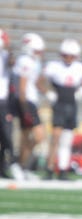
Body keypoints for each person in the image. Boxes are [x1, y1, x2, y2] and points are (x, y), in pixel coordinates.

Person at [43, 38, 82, 180]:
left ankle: (63, 169)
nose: (68, 58)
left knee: (67, 139)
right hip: (59, 102)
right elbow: (40, 81)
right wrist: (48, 93)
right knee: (56, 137)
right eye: (66, 55)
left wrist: (81, 93)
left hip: (71, 103)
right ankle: (50, 168)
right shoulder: (54, 66)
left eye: (71, 56)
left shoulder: (79, 68)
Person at [10, 33, 46, 180]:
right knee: (36, 136)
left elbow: (35, 82)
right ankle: (19, 165)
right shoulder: (25, 61)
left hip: (31, 101)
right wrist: (25, 109)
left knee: (30, 138)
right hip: (26, 102)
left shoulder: (33, 61)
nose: (40, 54)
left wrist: (48, 93)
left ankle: (22, 166)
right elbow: (23, 87)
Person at [0, 28, 15, 178]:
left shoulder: (4, 56)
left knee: (5, 135)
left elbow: (12, 61)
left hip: (2, 102)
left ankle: (3, 167)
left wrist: (6, 46)